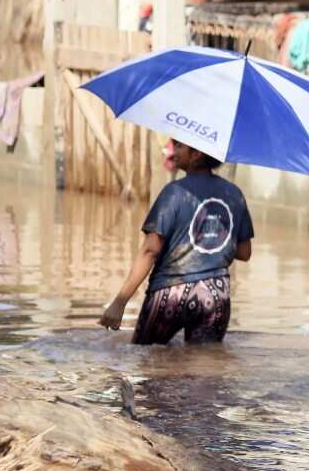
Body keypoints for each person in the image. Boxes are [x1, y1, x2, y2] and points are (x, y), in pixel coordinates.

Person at [99, 142, 254, 345]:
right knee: (205, 371)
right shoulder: (234, 194)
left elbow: (150, 251)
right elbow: (244, 252)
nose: (174, 152)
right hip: (215, 295)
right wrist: (211, 236)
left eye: (179, 147)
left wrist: (119, 303)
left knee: (146, 359)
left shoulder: (174, 192)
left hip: (170, 290)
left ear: (196, 153)